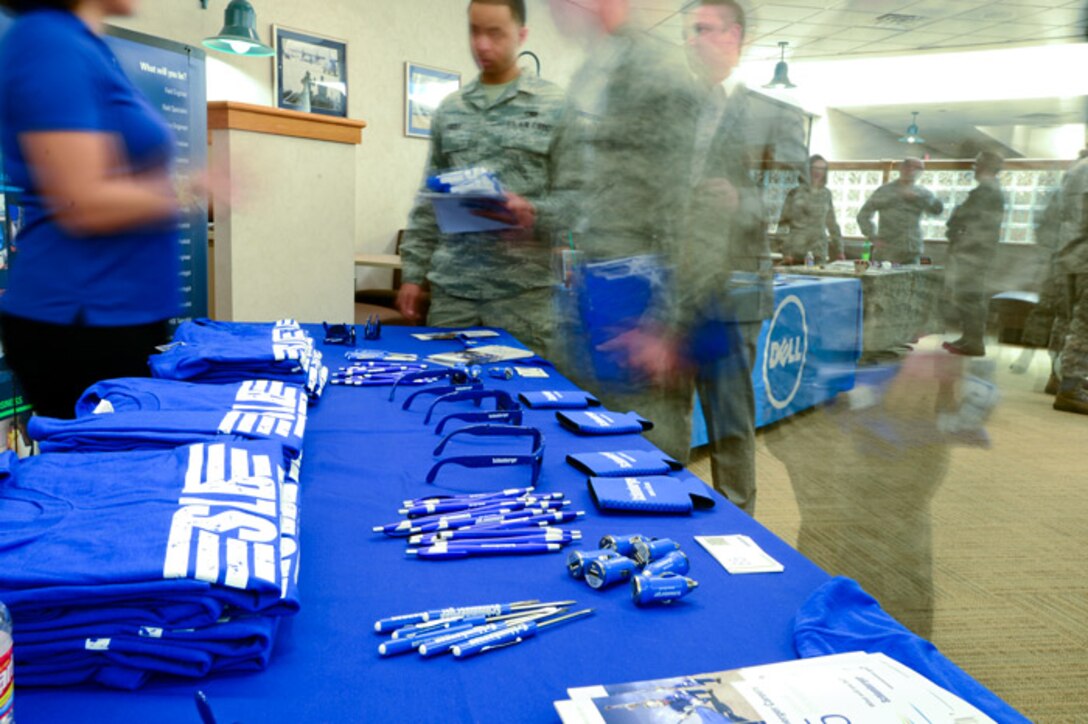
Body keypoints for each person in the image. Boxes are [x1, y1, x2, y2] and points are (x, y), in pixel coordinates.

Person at [0, 0, 189, 419]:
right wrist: (188, 191)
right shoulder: (48, 42)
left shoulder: (87, 46)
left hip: (121, 314)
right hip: (83, 323)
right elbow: (82, 203)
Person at [672, 0, 807, 514]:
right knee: (666, 416)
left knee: (729, 419)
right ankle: (667, 514)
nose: (692, 40)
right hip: (675, 287)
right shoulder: (673, 113)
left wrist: (739, 201)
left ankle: (735, 521)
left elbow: (788, 195)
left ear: (735, 37)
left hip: (735, 288)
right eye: (687, 32)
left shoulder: (773, 116)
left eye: (703, 30)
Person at [396, 0, 571, 355]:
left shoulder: (557, 107)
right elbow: (428, 201)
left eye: (495, 33)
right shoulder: (451, 110)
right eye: (475, 31)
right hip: (453, 295)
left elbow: (582, 200)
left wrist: (533, 211)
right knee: (443, 400)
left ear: (521, 35)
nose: (482, 45)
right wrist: (413, 273)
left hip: (523, 298)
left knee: (524, 402)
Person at [942, 151, 1006, 357]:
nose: (973, 167)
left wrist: (956, 227)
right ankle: (969, 337)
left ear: (985, 166)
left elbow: (966, 218)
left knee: (970, 296)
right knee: (967, 296)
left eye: (977, 163)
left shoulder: (987, 191)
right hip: (974, 251)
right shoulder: (988, 189)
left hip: (974, 252)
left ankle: (974, 342)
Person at [1052, 152, 1088, 414]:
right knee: (1084, 325)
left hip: (1070, 253)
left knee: (1067, 319)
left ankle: (1058, 377)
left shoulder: (1076, 169)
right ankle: (1071, 388)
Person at [857, 158, 944, 264]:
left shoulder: (923, 193)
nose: (914, 171)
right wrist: (873, 237)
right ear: (902, 168)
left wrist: (918, 198)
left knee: (911, 279)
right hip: (887, 250)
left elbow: (937, 210)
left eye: (919, 169)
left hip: (912, 250)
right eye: (910, 167)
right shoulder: (885, 191)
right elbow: (863, 215)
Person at [777, 154, 844, 265]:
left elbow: (832, 224)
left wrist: (839, 250)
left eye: (822, 169)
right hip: (795, 251)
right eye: (815, 168)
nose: (818, 172)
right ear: (808, 169)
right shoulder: (795, 193)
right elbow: (783, 223)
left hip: (818, 251)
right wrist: (785, 251)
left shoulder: (826, 194)